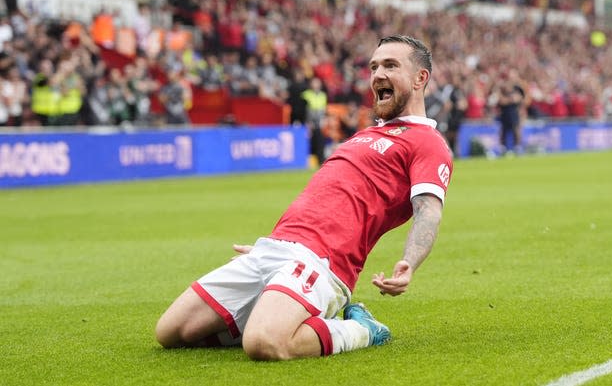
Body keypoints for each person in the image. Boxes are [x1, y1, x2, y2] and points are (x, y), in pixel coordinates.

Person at [155, 35, 453, 361]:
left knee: (264, 344)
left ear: (420, 78)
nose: (377, 74)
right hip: (274, 247)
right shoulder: (367, 134)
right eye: (374, 66)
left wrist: (410, 262)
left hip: (323, 261)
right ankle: (276, 307)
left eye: (391, 65)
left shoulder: (428, 142)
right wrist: (279, 242)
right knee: (172, 332)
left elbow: (428, 210)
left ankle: (362, 329)